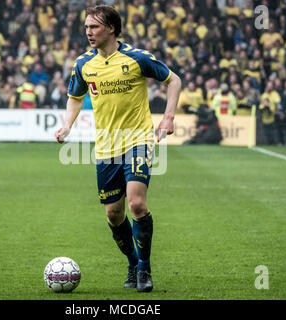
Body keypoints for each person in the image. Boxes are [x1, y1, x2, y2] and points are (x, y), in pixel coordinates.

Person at [54, 5, 181, 293]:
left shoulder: (136, 58)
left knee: (136, 203)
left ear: (111, 28)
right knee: (114, 214)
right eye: (86, 27)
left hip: (137, 140)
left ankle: (145, 268)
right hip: (106, 147)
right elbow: (75, 97)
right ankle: (133, 262)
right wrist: (67, 126)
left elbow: (173, 80)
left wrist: (169, 115)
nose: (88, 31)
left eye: (95, 27)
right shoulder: (84, 64)